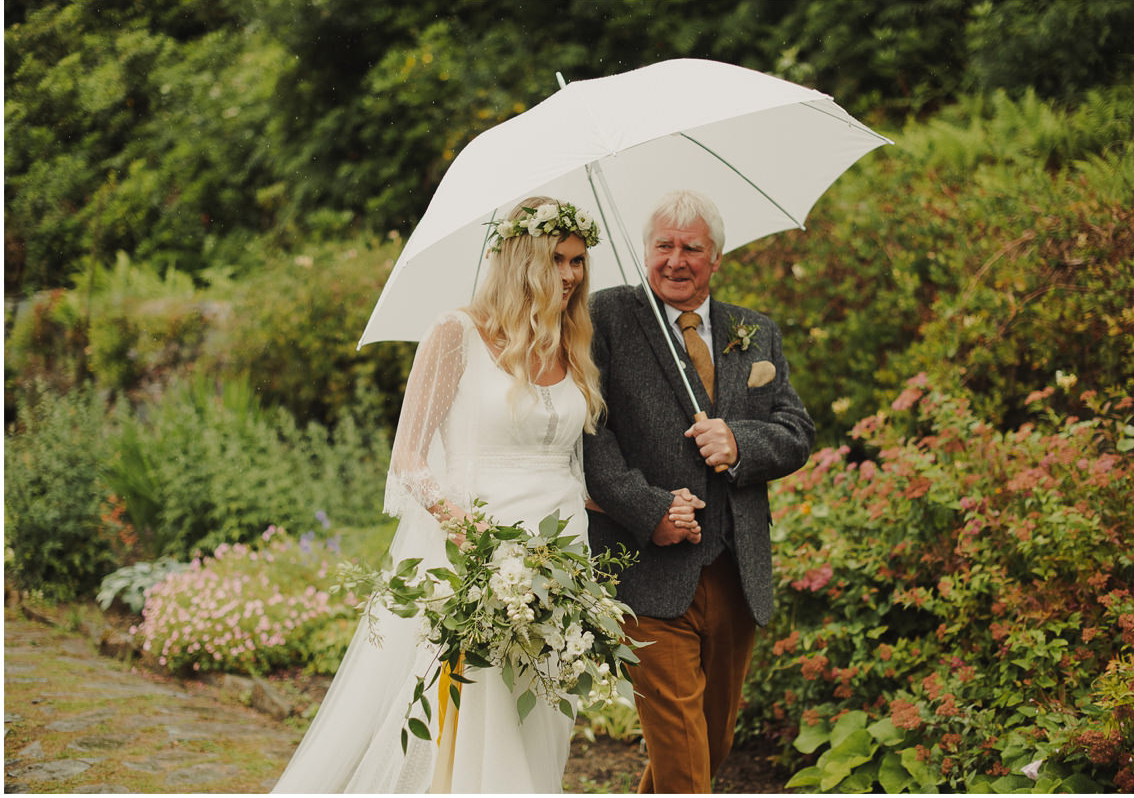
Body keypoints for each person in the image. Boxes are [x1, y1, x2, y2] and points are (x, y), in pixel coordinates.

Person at [274, 197, 604, 793]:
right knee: (478, 715)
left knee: (544, 715)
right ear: (520, 260)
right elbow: (409, 461)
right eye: (557, 259)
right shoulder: (458, 333)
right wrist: (473, 536)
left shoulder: (573, 344)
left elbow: (570, 461)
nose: (572, 275)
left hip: (561, 563)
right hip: (481, 557)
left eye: (578, 260)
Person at [583, 189, 814, 794]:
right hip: (646, 567)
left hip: (737, 571)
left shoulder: (754, 332)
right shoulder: (607, 316)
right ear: (645, 249)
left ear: (717, 257)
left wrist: (739, 442)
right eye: (663, 246)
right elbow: (590, 431)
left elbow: (796, 432)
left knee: (706, 743)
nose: (675, 261)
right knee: (684, 755)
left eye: (692, 248)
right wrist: (648, 510)